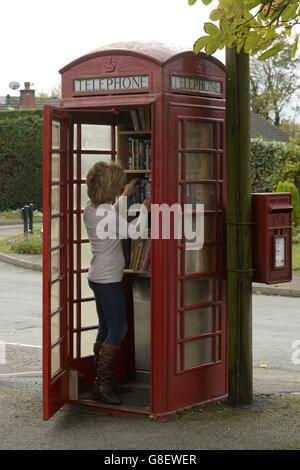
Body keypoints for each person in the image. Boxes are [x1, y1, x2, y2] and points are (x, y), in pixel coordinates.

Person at [83, 161, 150, 405]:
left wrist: (123, 196)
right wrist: (144, 208)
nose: (121, 185)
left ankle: (102, 382)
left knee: (105, 328)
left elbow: (113, 219)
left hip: (97, 276)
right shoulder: (106, 214)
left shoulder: (91, 209)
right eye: (118, 184)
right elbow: (134, 232)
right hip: (108, 278)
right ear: (109, 187)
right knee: (118, 329)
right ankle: (102, 384)